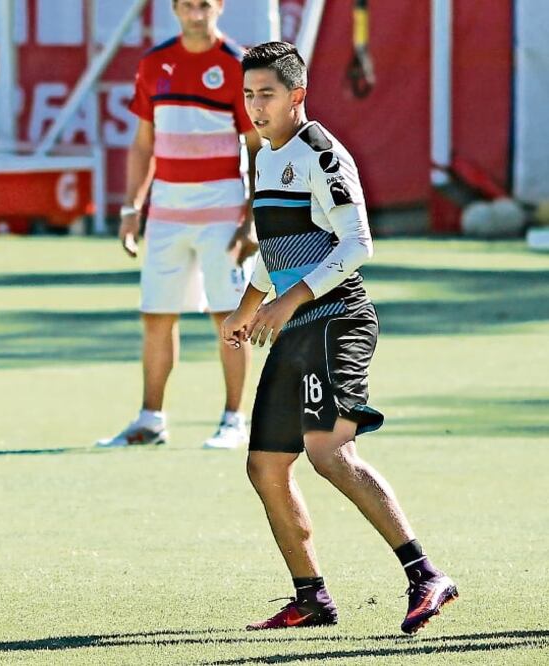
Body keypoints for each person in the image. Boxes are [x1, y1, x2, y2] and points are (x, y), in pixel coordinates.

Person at [224, 41, 458, 633]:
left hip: (337, 320)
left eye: (267, 95)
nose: (256, 106)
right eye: (249, 95)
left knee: (330, 453)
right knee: (266, 466)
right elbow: (274, 251)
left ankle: (425, 574)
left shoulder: (321, 152)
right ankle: (311, 598)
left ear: (296, 95)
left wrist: (290, 300)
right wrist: (248, 308)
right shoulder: (264, 153)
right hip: (293, 322)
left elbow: (358, 245)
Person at [96, 0, 262, 450]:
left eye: (205, 4)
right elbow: (143, 143)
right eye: (188, 4)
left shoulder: (239, 65)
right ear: (174, 9)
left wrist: (251, 219)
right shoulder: (154, 63)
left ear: (220, 7)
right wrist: (132, 208)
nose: (196, 12)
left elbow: (256, 146)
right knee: (156, 315)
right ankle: (151, 419)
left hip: (222, 214)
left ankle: (234, 420)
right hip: (166, 214)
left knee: (228, 315)